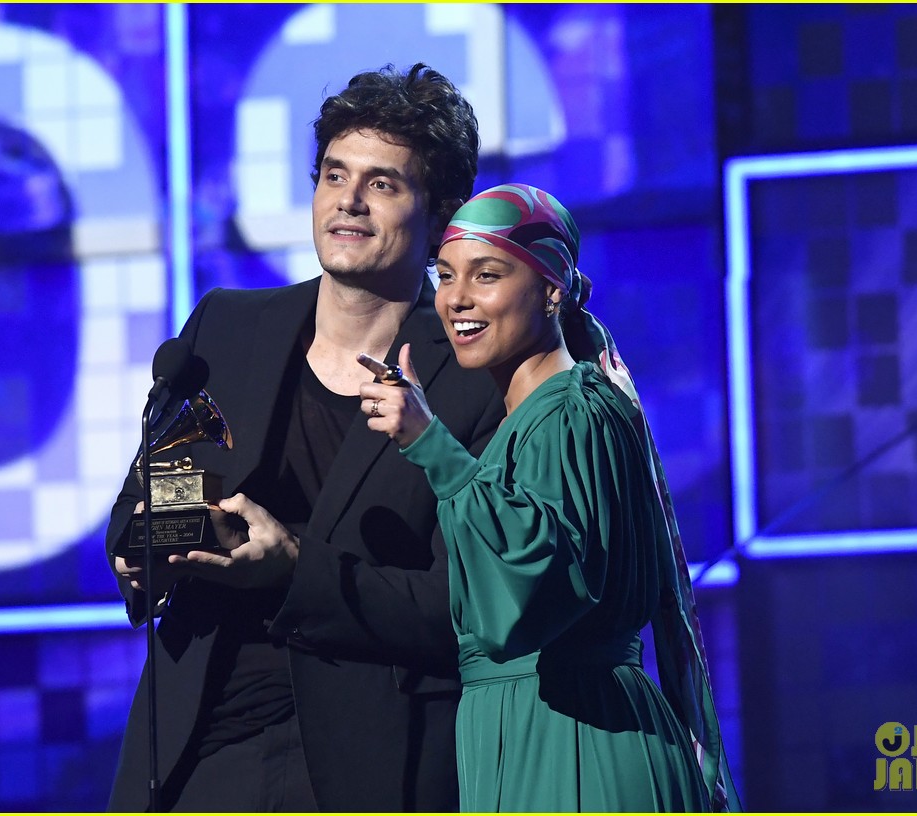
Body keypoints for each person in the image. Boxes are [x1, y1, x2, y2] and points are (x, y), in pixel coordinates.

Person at [104, 64, 505, 812]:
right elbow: (146, 499)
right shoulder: (228, 328)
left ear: (441, 211)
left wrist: (295, 571)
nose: (348, 201)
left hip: (361, 758)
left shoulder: (474, 378)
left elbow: (469, 609)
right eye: (333, 175)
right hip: (196, 744)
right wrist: (147, 551)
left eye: (382, 183)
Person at [359, 183, 741, 812]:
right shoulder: (542, 414)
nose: (457, 299)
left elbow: (529, 586)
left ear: (552, 288)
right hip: (536, 730)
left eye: (487, 275)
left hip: (578, 739)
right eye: (446, 275)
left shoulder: (570, 413)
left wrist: (430, 441)